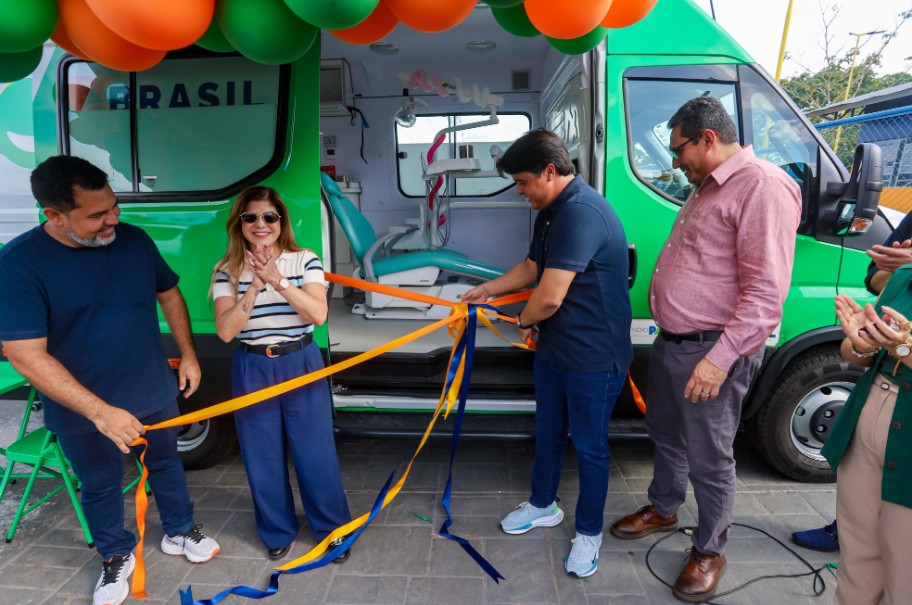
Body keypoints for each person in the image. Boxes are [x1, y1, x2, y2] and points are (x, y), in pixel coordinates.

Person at [0, 155, 219, 605]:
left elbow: (169, 293)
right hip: (84, 409)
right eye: (97, 215)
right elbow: (25, 356)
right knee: (98, 484)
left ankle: (179, 530)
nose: (112, 220)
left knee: (166, 465)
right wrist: (101, 413)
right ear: (55, 216)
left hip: (152, 388)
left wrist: (189, 355)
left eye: (113, 206)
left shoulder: (133, 240)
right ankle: (115, 556)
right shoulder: (19, 265)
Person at [608, 97, 802, 602]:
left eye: (679, 150)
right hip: (676, 344)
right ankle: (665, 507)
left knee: (711, 458)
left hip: (714, 351)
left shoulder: (761, 186)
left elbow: (765, 294)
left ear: (708, 138)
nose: (675, 161)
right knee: (666, 435)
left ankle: (710, 549)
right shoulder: (708, 186)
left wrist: (719, 362)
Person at [461, 129, 633, 578]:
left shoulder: (581, 213)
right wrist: (486, 290)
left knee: (592, 448)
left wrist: (515, 322)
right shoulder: (551, 211)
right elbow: (533, 267)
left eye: (522, 182)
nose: (520, 192)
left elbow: (550, 296)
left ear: (550, 172)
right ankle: (543, 505)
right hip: (558, 350)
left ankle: (589, 533)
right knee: (549, 431)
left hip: (595, 357)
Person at [211, 186, 352, 562]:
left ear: (280, 221)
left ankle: (332, 530)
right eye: (251, 217)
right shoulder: (226, 269)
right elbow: (226, 330)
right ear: (239, 223)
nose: (261, 224)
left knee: (315, 451)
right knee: (261, 454)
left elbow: (317, 315)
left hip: (300, 361)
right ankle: (276, 530)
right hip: (252, 366)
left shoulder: (305, 260)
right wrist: (254, 287)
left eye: (269, 216)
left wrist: (278, 280)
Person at [791, 211, 912, 553]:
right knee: (859, 557)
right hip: (881, 388)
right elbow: (874, 275)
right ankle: (844, 530)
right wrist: (901, 274)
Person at [823, 274, 912, 605]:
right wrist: (863, 341)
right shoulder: (904, 276)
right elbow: (857, 352)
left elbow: (901, 347)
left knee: (904, 575)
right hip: (870, 411)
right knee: (856, 560)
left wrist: (901, 346)